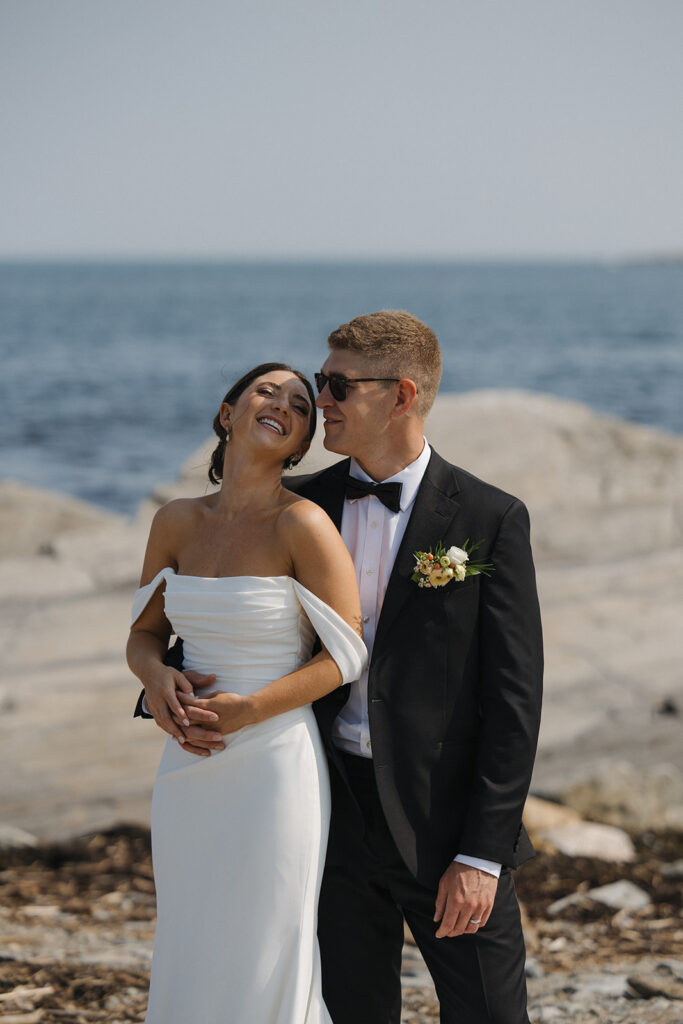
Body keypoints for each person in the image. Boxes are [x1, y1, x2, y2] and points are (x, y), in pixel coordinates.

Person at [141, 311, 544, 1024]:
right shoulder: (303, 506)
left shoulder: (488, 517)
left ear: (401, 395)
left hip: (441, 820)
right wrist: (167, 688)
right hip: (322, 808)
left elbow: (511, 699)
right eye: (317, 382)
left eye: (334, 385)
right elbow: (222, 621)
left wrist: (481, 858)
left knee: (490, 1014)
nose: (319, 400)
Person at [127, 362, 367, 1024]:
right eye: (267, 391)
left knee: (266, 943)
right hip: (188, 764)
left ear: (299, 445)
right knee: (191, 934)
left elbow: (345, 654)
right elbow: (143, 635)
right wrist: (158, 681)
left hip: (273, 763)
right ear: (227, 413)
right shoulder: (175, 521)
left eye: (299, 405)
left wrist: (250, 710)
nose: (284, 405)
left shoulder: (304, 524)